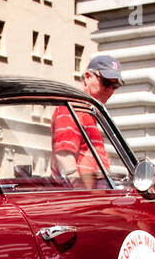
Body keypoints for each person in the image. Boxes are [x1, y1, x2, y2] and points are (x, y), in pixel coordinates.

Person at [52, 54, 122, 188]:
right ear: (88, 77)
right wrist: (79, 188)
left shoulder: (88, 110)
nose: (110, 90)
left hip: (95, 191)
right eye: (106, 83)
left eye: (115, 86)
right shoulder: (72, 108)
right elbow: (64, 153)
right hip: (84, 193)